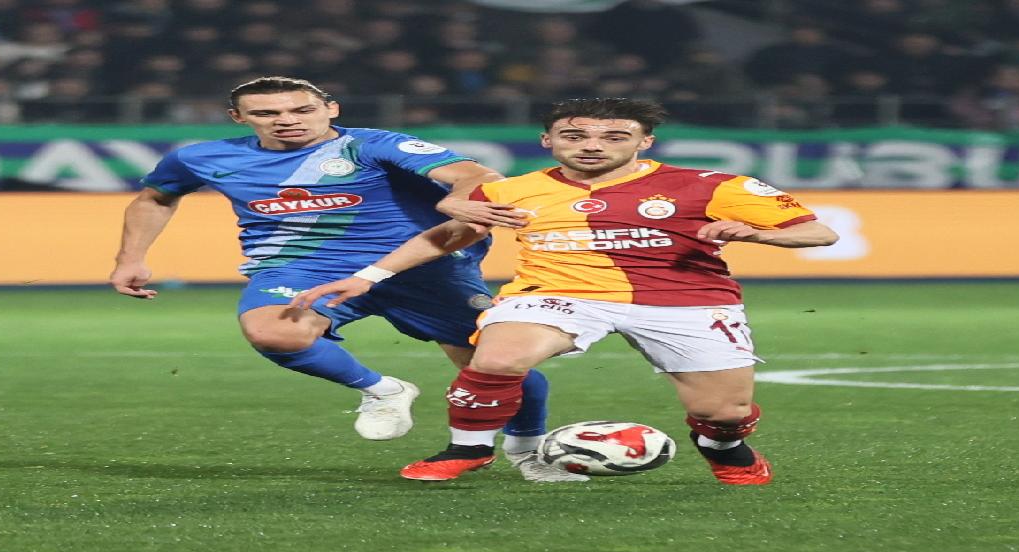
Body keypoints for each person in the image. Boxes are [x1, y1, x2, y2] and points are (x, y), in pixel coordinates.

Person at [292, 98, 839, 484]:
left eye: (613, 137)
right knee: (498, 355)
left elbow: (818, 232)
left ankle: (725, 446)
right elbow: (450, 233)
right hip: (557, 291)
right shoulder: (515, 189)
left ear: (644, 141)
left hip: (684, 299)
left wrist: (757, 233)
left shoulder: (712, 184)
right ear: (548, 140)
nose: (592, 146)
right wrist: (368, 277)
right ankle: (468, 449)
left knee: (723, 409)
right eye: (575, 136)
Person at [109, 76, 585, 482]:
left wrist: (457, 198)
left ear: (330, 109)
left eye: (302, 109)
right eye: (267, 113)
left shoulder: (372, 144)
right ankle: (382, 390)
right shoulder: (202, 157)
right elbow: (155, 197)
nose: (287, 120)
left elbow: (475, 173)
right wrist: (131, 257)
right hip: (301, 267)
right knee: (273, 332)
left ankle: (528, 450)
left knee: (496, 365)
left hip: (419, 267)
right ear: (239, 117)